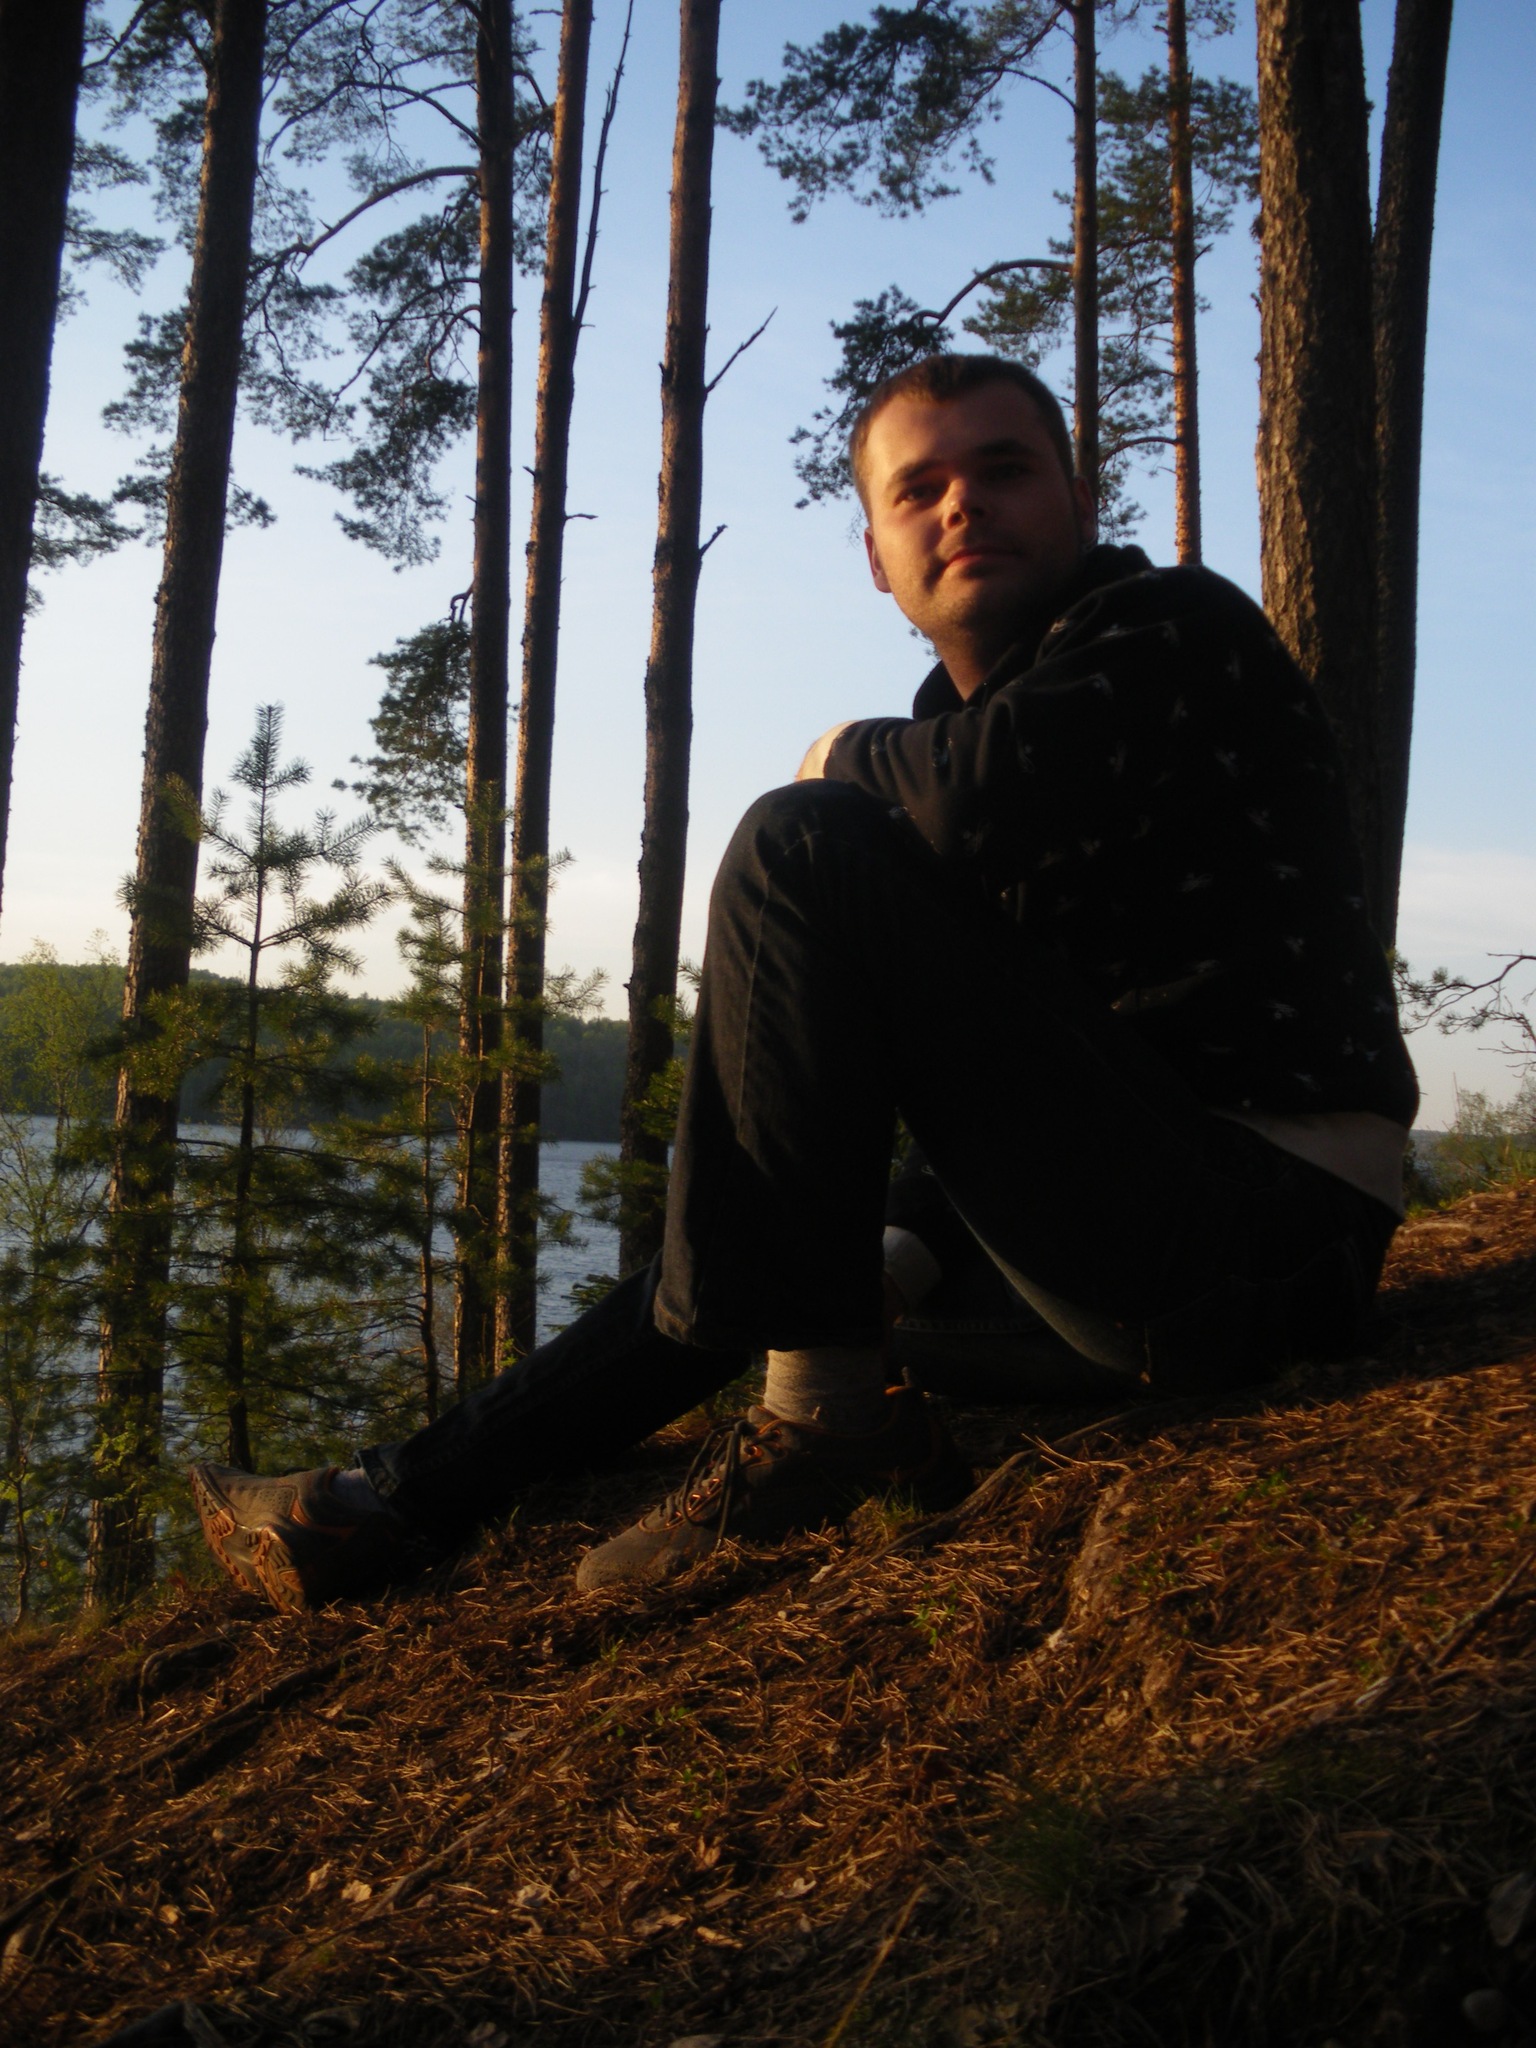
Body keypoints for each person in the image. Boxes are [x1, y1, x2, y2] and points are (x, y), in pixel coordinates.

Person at [191, 354, 1417, 1615]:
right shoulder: (954, 743)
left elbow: (971, 795)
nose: (964, 502)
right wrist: (887, 1255)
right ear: (879, 559)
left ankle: (831, 1427)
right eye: (918, 489)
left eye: (1005, 468)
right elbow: (1017, 1081)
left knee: (800, 841)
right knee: (759, 1242)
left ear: (1080, 501)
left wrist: (839, 751)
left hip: (1266, 1237)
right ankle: (386, 1505)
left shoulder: (1167, 630)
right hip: (1108, 1255)